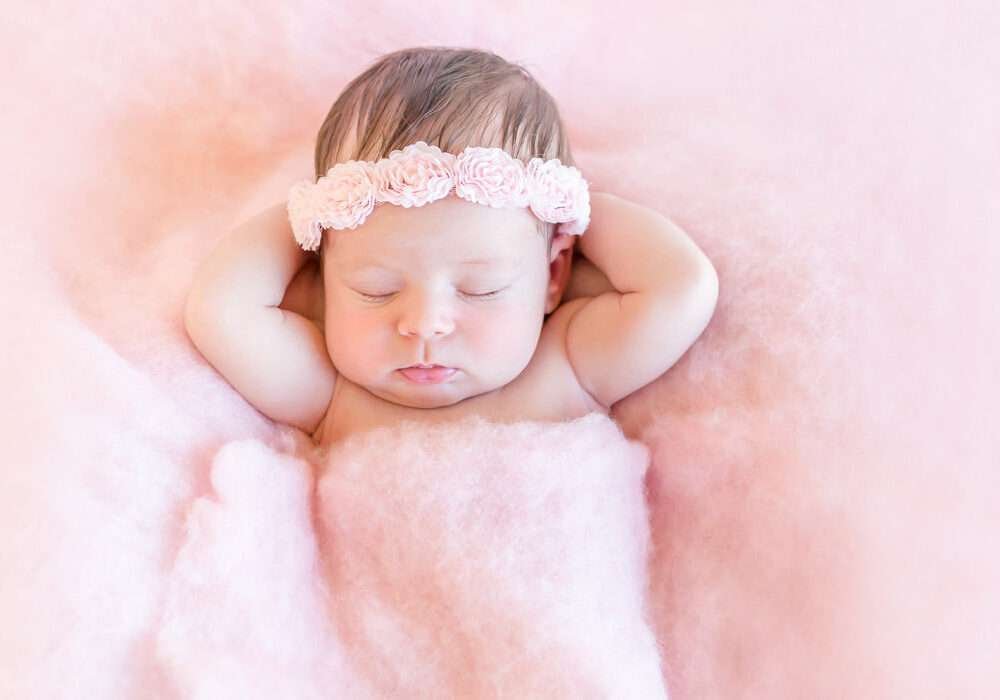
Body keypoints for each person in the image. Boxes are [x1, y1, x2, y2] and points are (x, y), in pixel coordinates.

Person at [184, 46, 718, 448]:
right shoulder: (330, 396)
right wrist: (315, 209)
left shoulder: (568, 367)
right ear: (321, 276)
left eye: (482, 289)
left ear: (554, 277)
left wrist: (570, 206)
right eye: (376, 289)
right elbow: (221, 309)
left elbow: (682, 287)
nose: (425, 324)